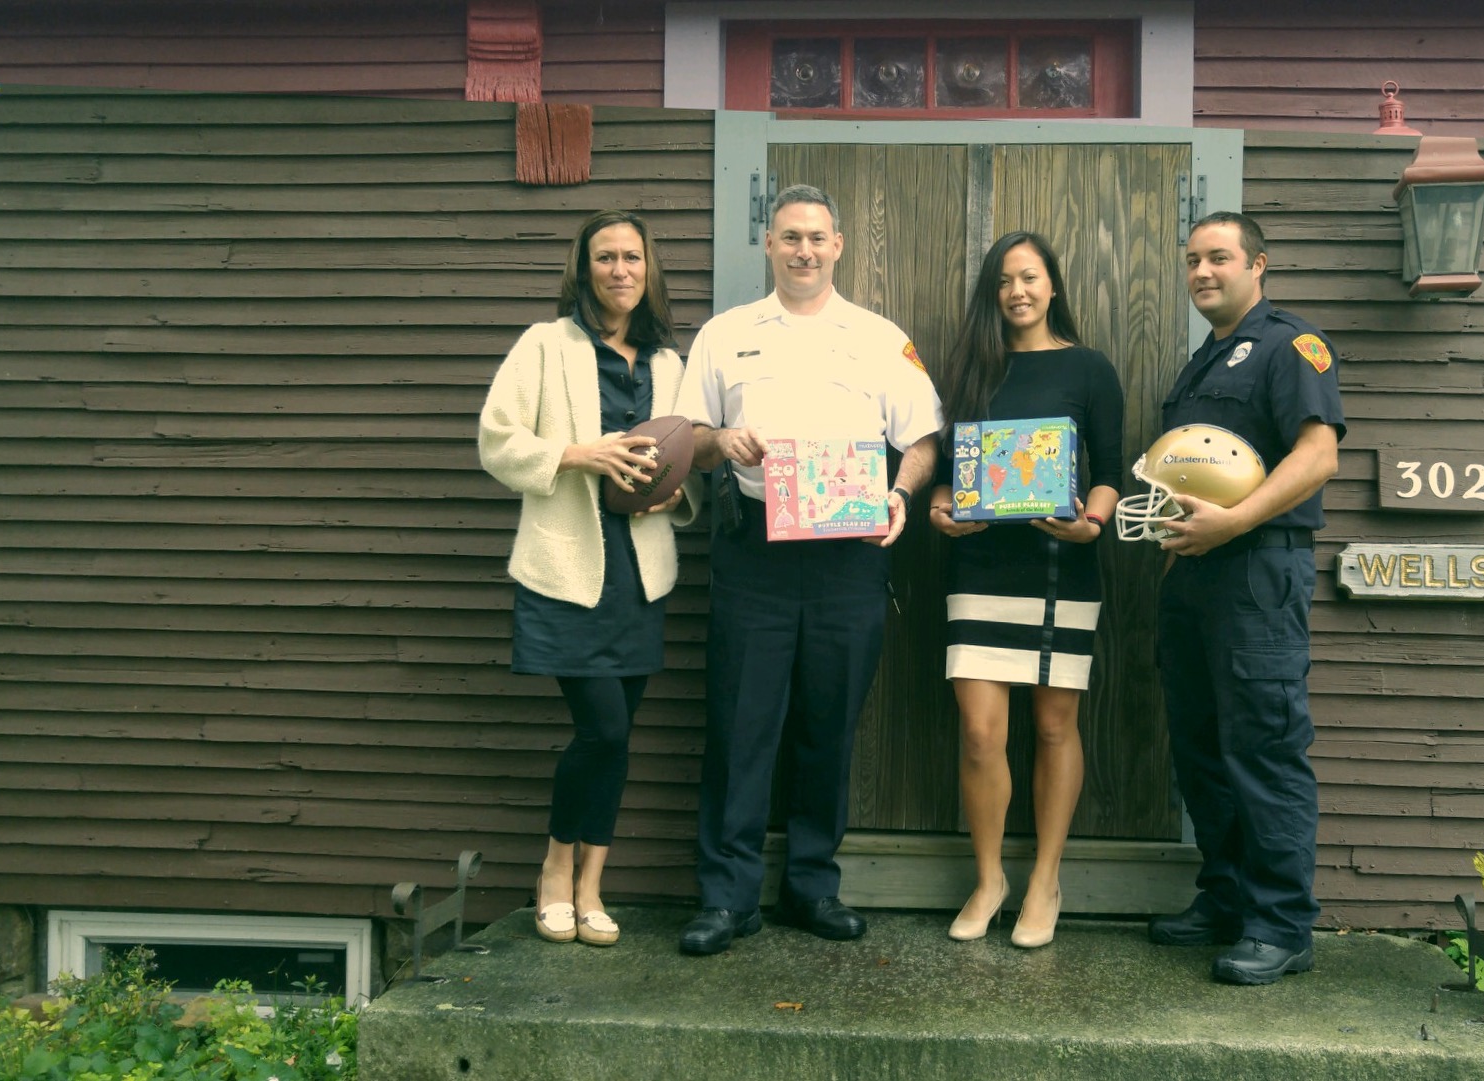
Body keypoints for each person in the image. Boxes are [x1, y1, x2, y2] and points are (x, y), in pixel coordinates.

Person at [673, 184, 943, 956]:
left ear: (839, 244)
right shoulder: (726, 335)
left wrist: (899, 493)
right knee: (740, 724)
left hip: (847, 553)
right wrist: (722, 442)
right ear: (768, 244)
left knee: (830, 722)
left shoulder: (877, 335)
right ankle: (726, 899)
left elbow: (923, 435)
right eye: (789, 236)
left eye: (817, 237)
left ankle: (812, 885)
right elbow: (688, 431)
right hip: (754, 545)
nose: (803, 250)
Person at [477, 209, 699, 948]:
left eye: (632, 257)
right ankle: (553, 870)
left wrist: (672, 493)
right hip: (566, 567)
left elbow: (685, 460)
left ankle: (592, 886)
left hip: (641, 573)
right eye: (605, 257)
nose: (621, 270)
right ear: (584, 267)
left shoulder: (669, 361)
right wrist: (582, 454)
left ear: (650, 268)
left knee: (619, 734)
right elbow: (497, 441)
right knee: (601, 726)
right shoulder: (545, 346)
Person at [1146, 210, 1344, 985]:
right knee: (1202, 749)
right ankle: (1226, 896)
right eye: (1192, 259)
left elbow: (1318, 453)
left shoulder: (1291, 346)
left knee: (1262, 747)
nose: (1202, 271)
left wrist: (1231, 523)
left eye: (1218, 258)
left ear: (1258, 264)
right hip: (1195, 575)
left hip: (1258, 569)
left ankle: (1282, 923)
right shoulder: (1204, 362)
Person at [926, 232, 1123, 949]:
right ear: (992, 291)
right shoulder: (970, 369)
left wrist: (1092, 520)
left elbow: (1110, 469)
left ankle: (1045, 877)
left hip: (1058, 568)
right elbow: (951, 469)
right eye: (1005, 280)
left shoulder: (1090, 367)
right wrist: (942, 508)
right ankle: (989, 878)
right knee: (980, 732)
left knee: (1052, 727)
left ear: (1053, 285)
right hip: (979, 571)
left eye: (1031, 277)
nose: (1018, 291)